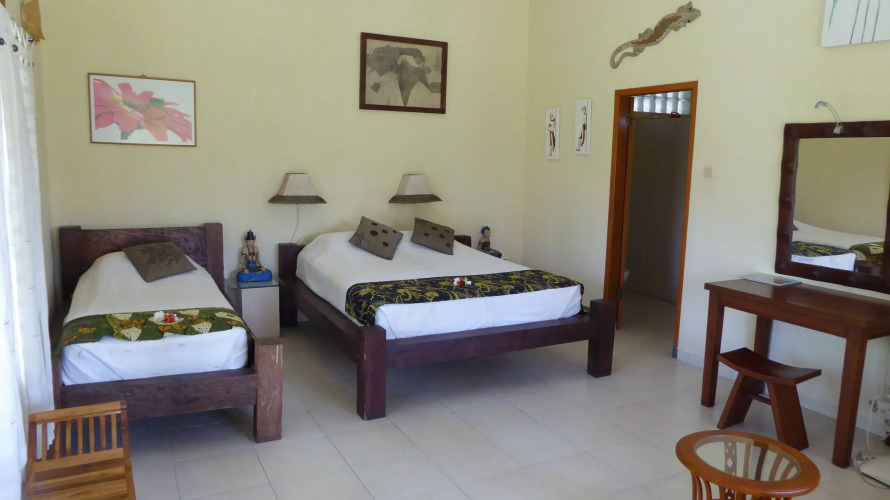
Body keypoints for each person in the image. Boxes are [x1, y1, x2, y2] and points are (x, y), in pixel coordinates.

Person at [369, 47, 441, 108]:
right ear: (399, 70)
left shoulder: (425, 94)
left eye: (415, 72)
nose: (409, 76)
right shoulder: (386, 88)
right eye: (405, 70)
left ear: (420, 74)